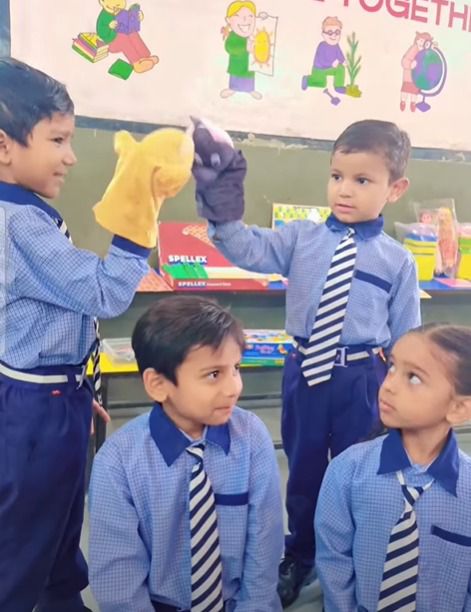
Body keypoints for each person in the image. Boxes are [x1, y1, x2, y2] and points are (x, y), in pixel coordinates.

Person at [190, 118, 421, 607]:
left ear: (395, 189)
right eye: (337, 176)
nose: (345, 190)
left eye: (362, 180)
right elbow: (244, 247)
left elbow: (408, 342)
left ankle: (358, 552)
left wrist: (410, 398)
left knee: (364, 469)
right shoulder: (300, 239)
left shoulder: (398, 261)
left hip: (364, 378)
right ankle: (300, 553)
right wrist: (220, 200)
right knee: (304, 469)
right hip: (306, 374)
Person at [0, 57, 153, 612]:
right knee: (29, 533)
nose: (71, 156)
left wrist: (73, 388)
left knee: (59, 519)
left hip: (48, 396)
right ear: (4, 147)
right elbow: (104, 293)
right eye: (58, 140)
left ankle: (61, 600)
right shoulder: (19, 223)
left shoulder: (23, 212)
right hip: (37, 409)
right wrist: (136, 224)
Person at [88, 295, 284, 612]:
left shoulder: (252, 437)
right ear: (158, 384)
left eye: (236, 368)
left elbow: (265, 547)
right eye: (214, 374)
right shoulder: (117, 462)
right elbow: (118, 578)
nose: (234, 387)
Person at [315, 323, 471, 611]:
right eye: (392, 367)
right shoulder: (347, 471)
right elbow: (334, 561)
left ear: (459, 408)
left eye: (413, 377)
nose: (388, 385)